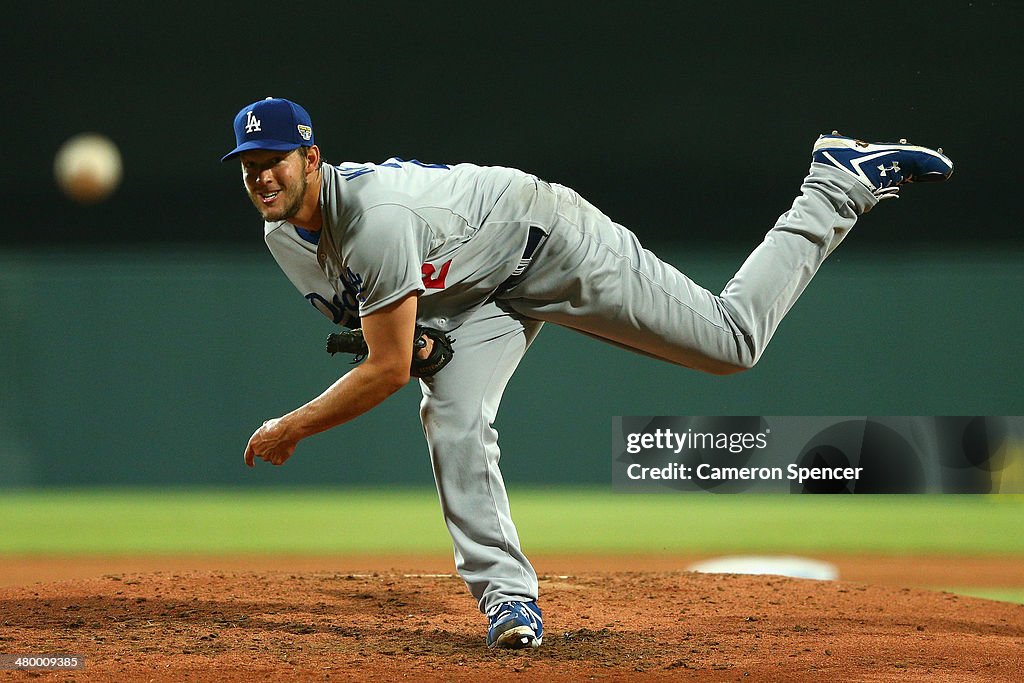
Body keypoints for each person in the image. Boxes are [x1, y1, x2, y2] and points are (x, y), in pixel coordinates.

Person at [223, 97, 953, 649]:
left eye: (276, 160)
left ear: (312, 159)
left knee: (731, 342)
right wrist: (424, 344)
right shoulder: (281, 236)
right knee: (451, 416)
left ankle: (835, 183)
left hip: (549, 242)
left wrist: (291, 426)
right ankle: (509, 599)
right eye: (251, 166)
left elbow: (384, 368)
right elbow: (386, 332)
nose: (262, 176)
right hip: (474, 290)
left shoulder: (374, 218)